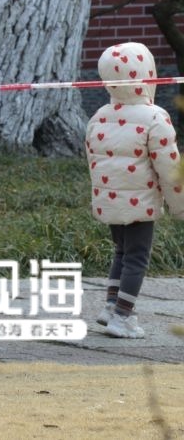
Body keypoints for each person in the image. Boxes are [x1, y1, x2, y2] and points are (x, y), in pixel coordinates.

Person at [84, 42, 184, 339]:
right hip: (140, 202)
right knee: (137, 257)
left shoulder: (99, 115)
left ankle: (111, 305)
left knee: (122, 252)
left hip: (111, 201)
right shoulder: (155, 117)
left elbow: (93, 158)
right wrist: (180, 204)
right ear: (147, 74)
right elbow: (170, 168)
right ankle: (123, 317)